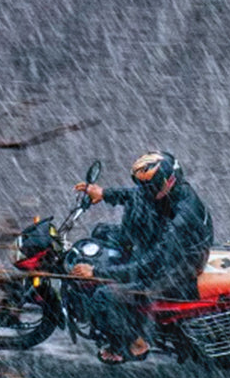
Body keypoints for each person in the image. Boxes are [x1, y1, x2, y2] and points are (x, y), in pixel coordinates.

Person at [70, 151, 214, 364]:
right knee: (101, 232)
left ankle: (137, 343)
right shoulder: (169, 191)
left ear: (167, 182)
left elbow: (151, 265)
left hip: (177, 266)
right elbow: (135, 195)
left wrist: (97, 272)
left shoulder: (181, 218)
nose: (144, 192)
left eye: (149, 187)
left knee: (105, 295)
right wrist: (104, 193)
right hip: (169, 249)